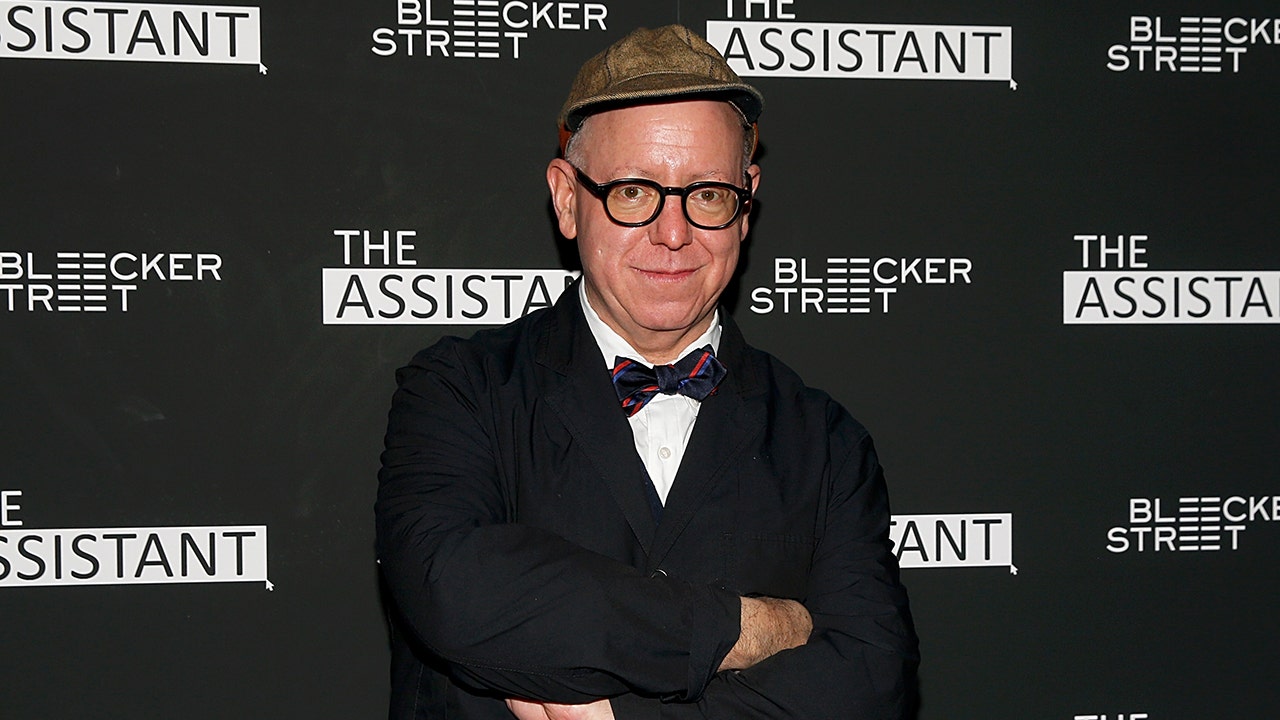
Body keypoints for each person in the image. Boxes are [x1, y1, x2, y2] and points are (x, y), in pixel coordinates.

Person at [376, 24, 918, 720]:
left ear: (747, 202)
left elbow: (870, 685)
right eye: (634, 192)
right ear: (568, 198)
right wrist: (746, 627)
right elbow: (455, 591)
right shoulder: (459, 392)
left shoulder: (826, 441)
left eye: (708, 193)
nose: (673, 232)